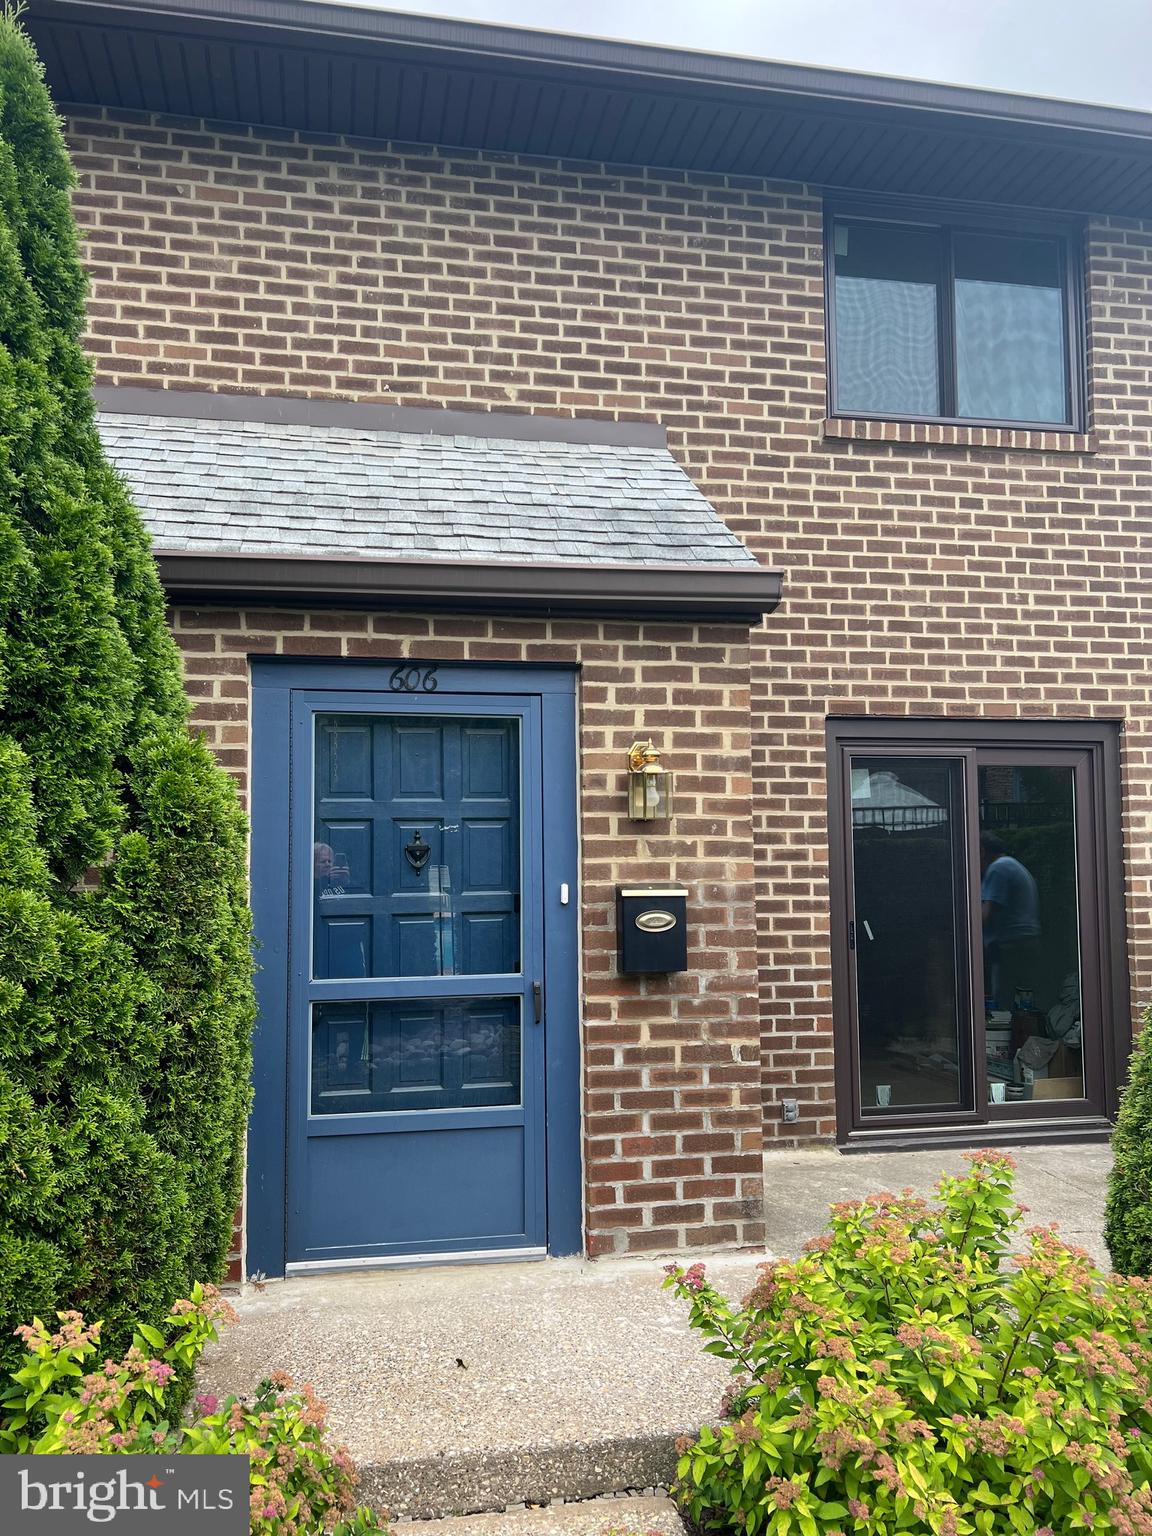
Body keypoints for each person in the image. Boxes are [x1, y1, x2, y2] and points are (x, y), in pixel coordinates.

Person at [980, 831, 1041, 1010]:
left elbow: (987, 913)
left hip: (1013, 945)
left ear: (982, 851)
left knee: (1003, 1000)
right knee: (1024, 1000)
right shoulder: (1012, 865)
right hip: (1026, 941)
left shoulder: (998, 868)